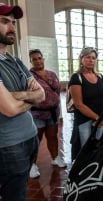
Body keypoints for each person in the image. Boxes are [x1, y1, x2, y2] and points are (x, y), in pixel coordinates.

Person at [0, 3, 45, 201]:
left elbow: (41, 94)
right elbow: (9, 109)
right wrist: (29, 96)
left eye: (13, 23)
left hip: (30, 138)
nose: (11, 27)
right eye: (4, 21)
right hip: (9, 145)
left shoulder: (15, 60)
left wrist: (15, 95)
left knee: (20, 188)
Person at [28, 49, 66, 178]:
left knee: (52, 136)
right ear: (31, 61)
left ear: (43, 59)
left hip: (53, 113)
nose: (38, 61)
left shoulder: (52, 74)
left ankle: (55, 157)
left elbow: (58, 91)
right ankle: (32, 165)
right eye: (34, 59)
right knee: (36, 140)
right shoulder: (28, 76)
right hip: (37, 114)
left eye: (39, 58)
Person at [68, 47, 103, 160]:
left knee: (97, 147)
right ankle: (81, 174)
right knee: (85, 149)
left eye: (93, 58)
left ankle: (94, 172)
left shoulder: (100, 77)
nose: (91, 60)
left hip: (100, 119)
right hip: (84, 120)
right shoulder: (76, 78)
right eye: (88, 57)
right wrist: (97, 118)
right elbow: (79, 104)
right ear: (81, 59)